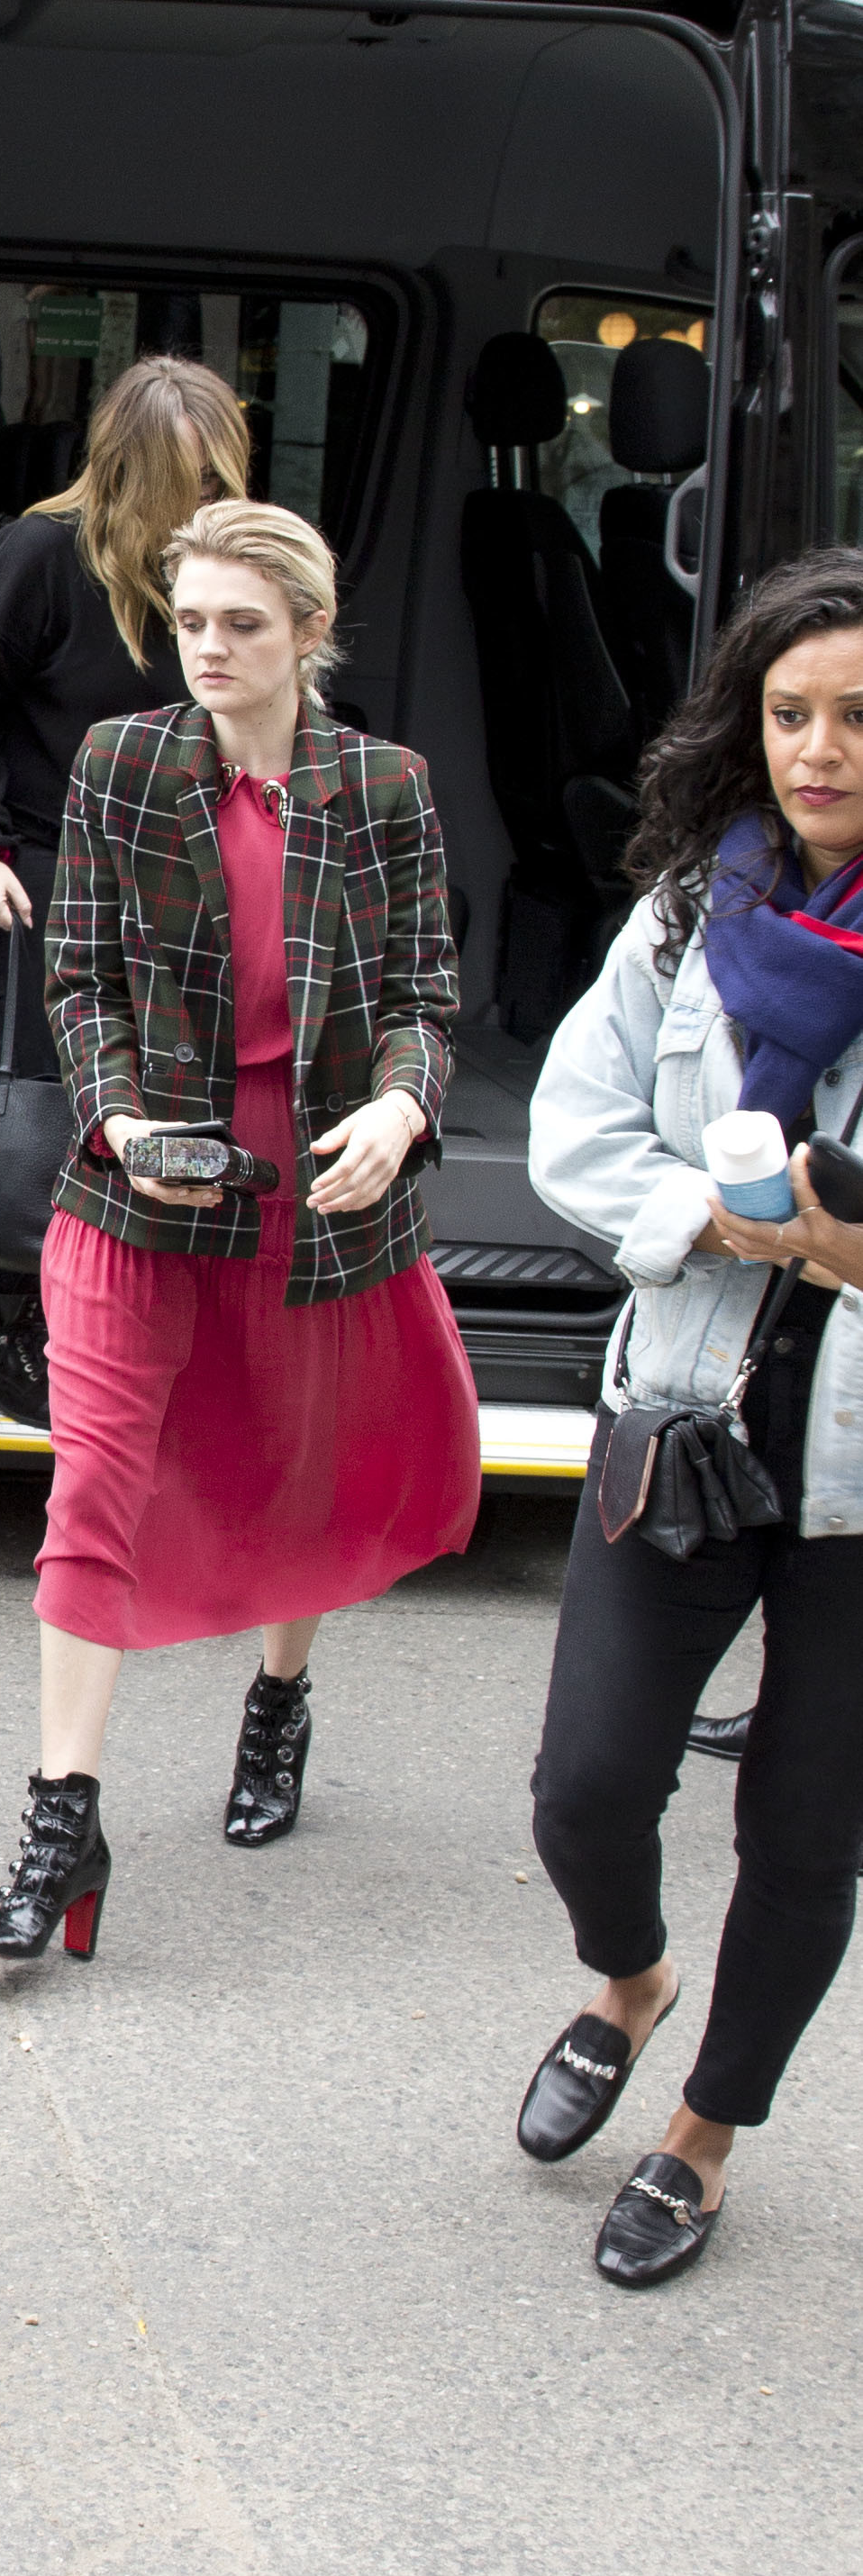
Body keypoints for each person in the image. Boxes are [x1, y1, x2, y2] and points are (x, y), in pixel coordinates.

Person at [0, 498, 480, 1960]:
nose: (208, 648)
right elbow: (79, 980)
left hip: (313, 1188)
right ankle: (62, 1818)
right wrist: (121, 1121)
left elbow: (424, 1000)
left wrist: (399, 1112)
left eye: (241, 624)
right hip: (135, 1181)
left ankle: (278, 1698)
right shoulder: (122, 764)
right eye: (188, 620)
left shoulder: (382, 788)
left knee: (290, 1468)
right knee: (92, 1484)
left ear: (310, 632)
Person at [514, 548, 863, 2288]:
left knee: (804, 1835)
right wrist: (727, 1224)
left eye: (857, 716)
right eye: (790, 713)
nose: (820, 749)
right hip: (682, 1412)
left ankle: (704, 2134)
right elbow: (573, 1136)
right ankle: (632, 1975)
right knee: (585, 1790)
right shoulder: (681, 920)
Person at [0, 355, 251, 998]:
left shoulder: (226, 568)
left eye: (214, 481)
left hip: (190, 882)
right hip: (52, 876)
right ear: (129, 469)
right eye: (184, 481)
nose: (202, 500)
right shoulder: (41, 553)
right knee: (53, 1066)